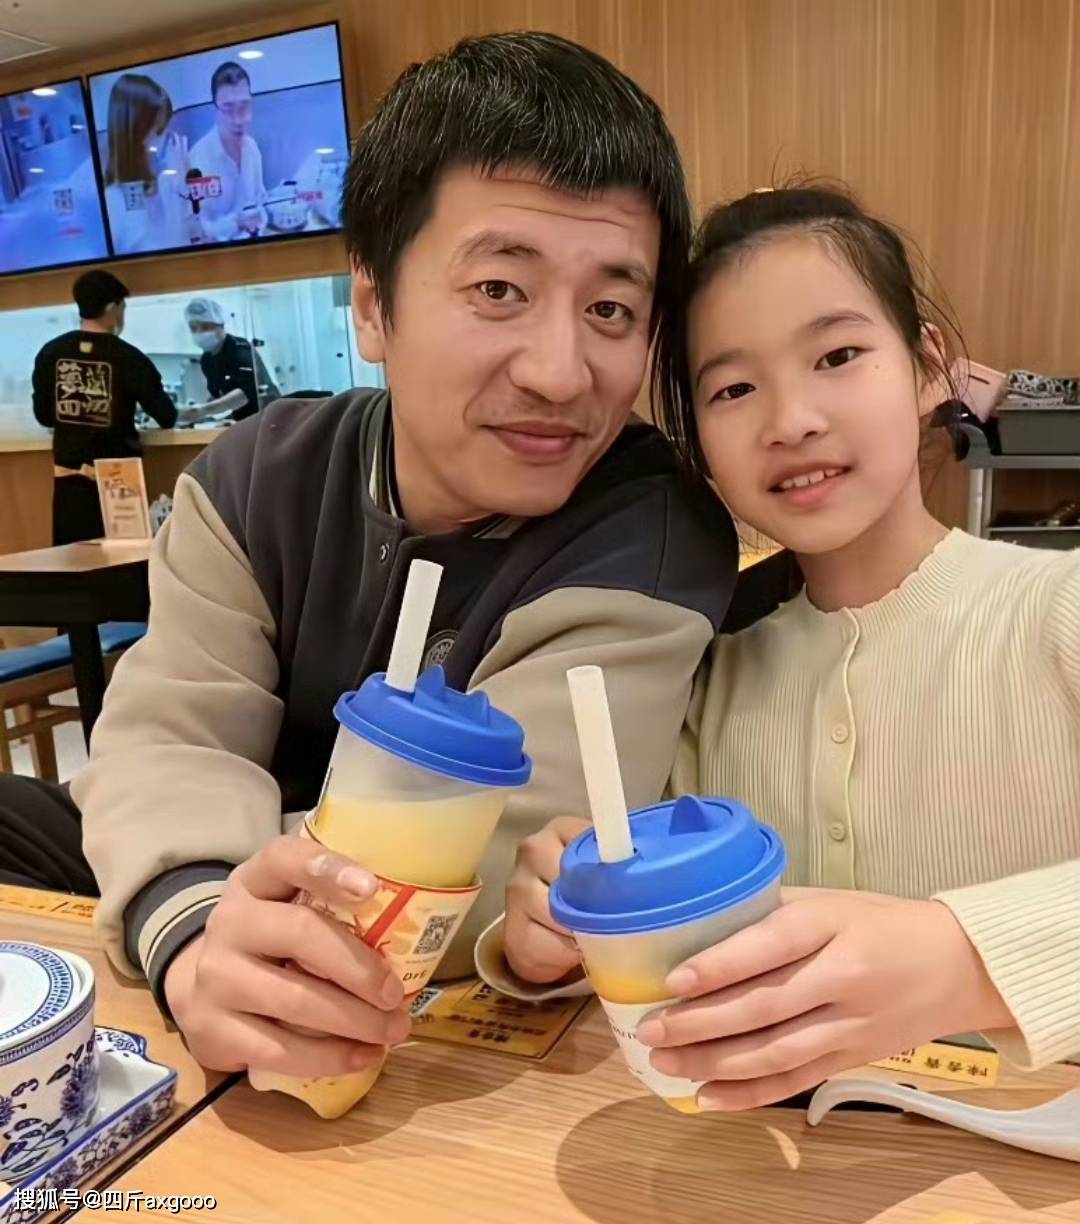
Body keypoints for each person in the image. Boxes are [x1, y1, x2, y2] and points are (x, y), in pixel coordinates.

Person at [0, 33, 772, 1083]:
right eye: (499, 288)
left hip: (393, 985)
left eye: (610, 310)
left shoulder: (651, 534)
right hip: (229, 890)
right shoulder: (259, 476)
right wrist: (194, 923)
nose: (560, 373)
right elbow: (172, 732)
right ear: (371, 303)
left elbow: (490, 853)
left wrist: (197, 867)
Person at [497, 184, 1080, 1104]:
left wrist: (964, 958)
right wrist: (560, 937)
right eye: (733, 389)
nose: (791, 420)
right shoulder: (706, 684)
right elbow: (672, 964)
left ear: (929, 367)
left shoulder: (1059, 609)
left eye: (837, 356)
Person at [31, 270, 178, 544]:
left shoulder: (50, 353)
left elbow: (44, 416)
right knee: (123, 556)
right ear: (112, 307)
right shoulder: (129, 357)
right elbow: (166, 416)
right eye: (122, 308)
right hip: (119, 482)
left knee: (72, 556)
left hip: (68, 480)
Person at [102, 74, 193, 255]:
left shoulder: (161, 184)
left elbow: (186, 235)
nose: (161, 140)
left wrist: (181, 185)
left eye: (163, 129)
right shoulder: (114, 200)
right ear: (134, 132)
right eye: (156, 130)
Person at [189, 61, 267, 242]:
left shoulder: (252, 149)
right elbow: (196, 231)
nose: (238, 119)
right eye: (228, 109)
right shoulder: (197, 160)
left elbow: (261, 202)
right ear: (215, 109)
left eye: (244, 106)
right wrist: (237, 222)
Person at [184, 298, 280, 420]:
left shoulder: (240, 350)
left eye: (205, 327)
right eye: (193, 328)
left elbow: (244, 395)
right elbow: (219, 396)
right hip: (242, 420)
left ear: (221, 325)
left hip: (269, 417)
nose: (199, 332)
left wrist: (203, 410)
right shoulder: (206, 360)